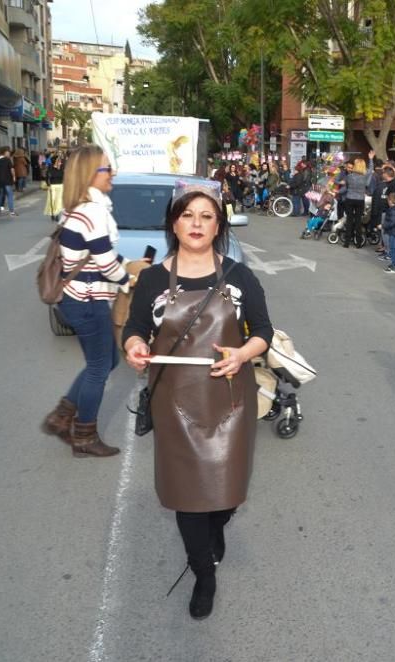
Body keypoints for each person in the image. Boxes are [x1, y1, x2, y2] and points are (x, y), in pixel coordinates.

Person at [122, 181, 273, 621]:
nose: (197, 224)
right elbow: (134, 327)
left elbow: (263, 330)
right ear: (174, 221)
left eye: (207, 217)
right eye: (189, 215)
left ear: (218, 225)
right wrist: (133, 346)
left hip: (229, 400)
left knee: (224, 498)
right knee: (188, 497)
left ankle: (216, 529)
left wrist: (244, 353)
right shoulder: (152, 277)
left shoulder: (239, 276)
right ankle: (203, 573)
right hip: (175, 403)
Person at [40, 145, 130, 458]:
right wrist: (130, 281)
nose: (113, 173)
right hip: (87, 301)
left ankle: (62, 416)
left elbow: (98, 255)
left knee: (107, 361)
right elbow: (106, 264)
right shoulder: (93, 212)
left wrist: (126, 264)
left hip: (77, 299)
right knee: (99, 367)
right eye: (107, 168)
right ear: (91, 174)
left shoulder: (77, 208)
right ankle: (83, 436)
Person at [341, 159, 368, 248]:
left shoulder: (350, 176)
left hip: (350, 198)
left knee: (349, 220)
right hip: (360, 199)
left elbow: (347, 186)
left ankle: (347, 242)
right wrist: (371, 159)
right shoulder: (365, 177)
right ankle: (358, 242)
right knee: (358, 221)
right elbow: (371, 170)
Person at [0, 147, 17, 217]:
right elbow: (12, 169)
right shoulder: (7, 160)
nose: (9, 153)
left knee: (0, 195)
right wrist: (14, 177)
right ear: (4, 152)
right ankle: (12, 211)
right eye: (8, 152)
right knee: (9, 195)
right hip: (7, 180)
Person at [44, 153, 66, 222]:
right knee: (52, 200)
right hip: (52, 187)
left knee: (58, 201)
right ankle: (52, 213)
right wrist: (48, 185)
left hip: (60, 186)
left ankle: (56, 214)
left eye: (60, 161)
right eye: (58, 161)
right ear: (55, 161)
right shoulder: (50, 168)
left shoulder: (62, 168)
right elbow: (46, 178)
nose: (60, 162)